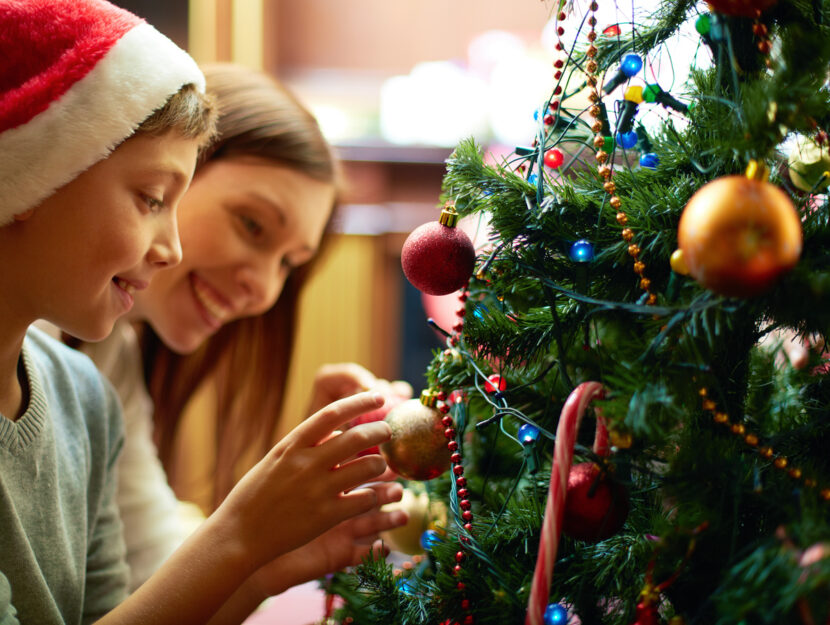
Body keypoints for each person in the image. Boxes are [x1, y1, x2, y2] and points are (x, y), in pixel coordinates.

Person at [0, 2, 396, 624]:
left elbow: (149, 583)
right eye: (252, 226)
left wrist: (287, 508)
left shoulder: (90, 382)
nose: (263, 290)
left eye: (290, 264)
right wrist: (248, 532)